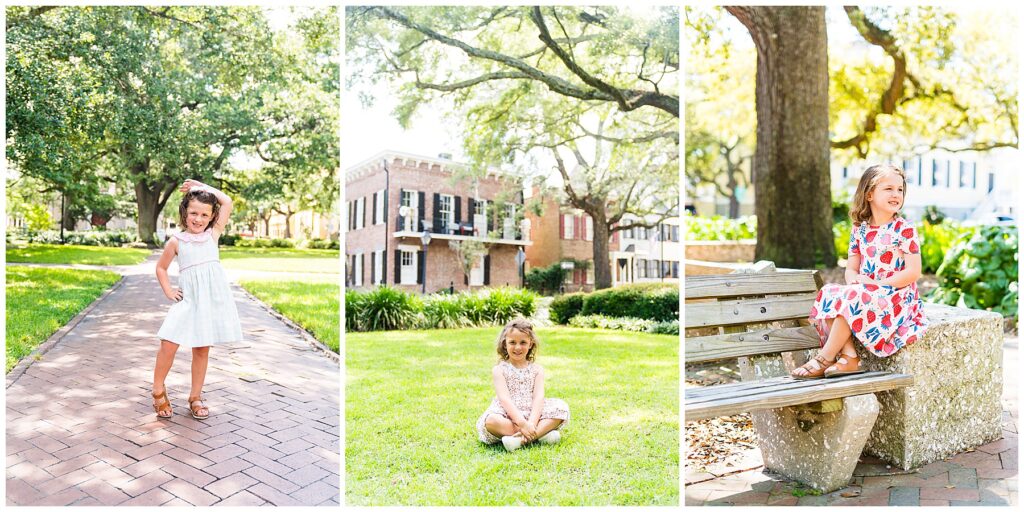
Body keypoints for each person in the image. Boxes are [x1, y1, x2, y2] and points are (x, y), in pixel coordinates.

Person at [792, 164, 927, 379]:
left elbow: (913, 272)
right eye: (889, 189)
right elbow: (852, 269)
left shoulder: (904, 229)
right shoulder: (859, 229)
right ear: (870, 193)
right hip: (866, 293)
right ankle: (849, 356)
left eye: (900, 189)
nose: (896, 194)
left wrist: (876, 285)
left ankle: (824, 357)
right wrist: (856, 281)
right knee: (830, 292)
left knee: (855, 297)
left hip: (896, 296)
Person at [151, 179, 243, 419]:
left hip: (209, 303)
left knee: (201, 349)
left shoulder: (213, 235)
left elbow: (228, 201)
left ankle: (195, 396)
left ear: (212, 217)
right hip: (188, 301)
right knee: (168, 342)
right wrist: (169, 291)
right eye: (193, 212)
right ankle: (158, 389)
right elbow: (161, 268)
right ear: (184, 212)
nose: (198, 219)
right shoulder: (176, 241)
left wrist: (202, 186)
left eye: (204, 214)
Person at [476, 318, 570, 451]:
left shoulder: (537, 370)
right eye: (512, 342)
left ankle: (519, 441)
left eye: (523, 342)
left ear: (531, 344)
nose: (518, 347)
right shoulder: (499, 370)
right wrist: (522, 423)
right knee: (491, 421)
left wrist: (531, 423)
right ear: (505, 344)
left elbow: (539, 398)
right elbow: (504, 399)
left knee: (562, 408)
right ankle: (541, 434)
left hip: (533, 413)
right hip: (508, 414)